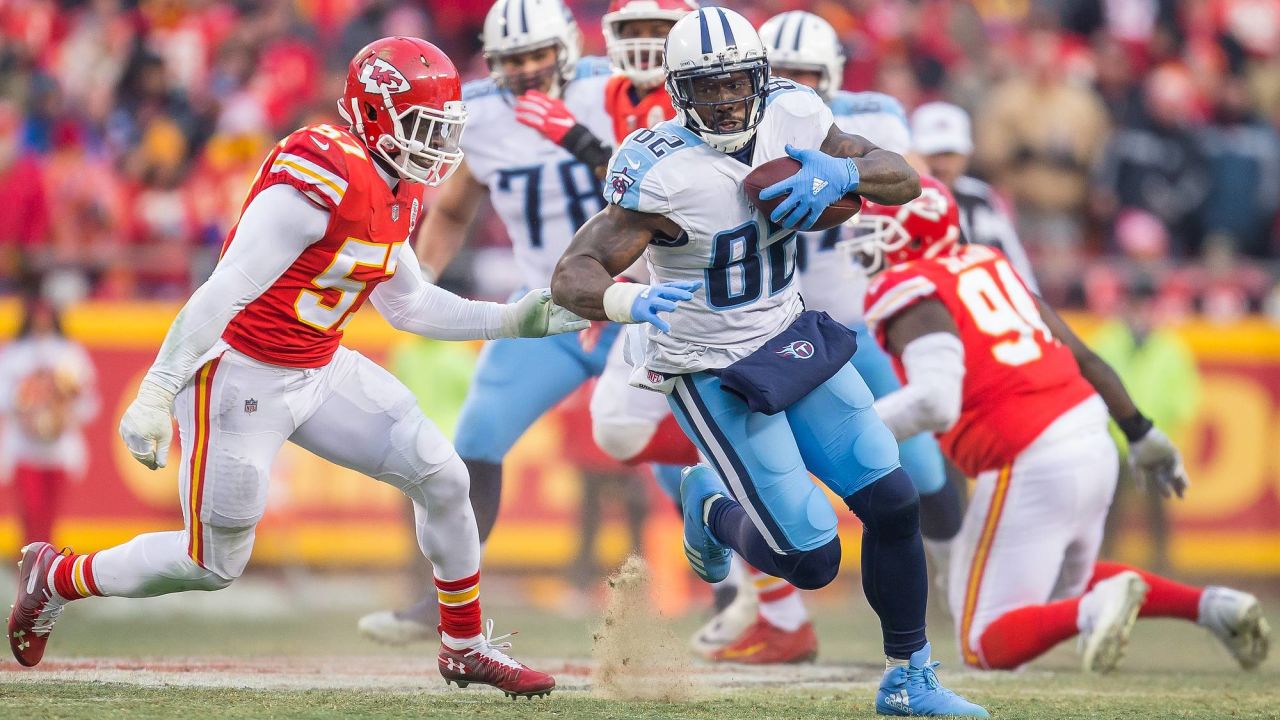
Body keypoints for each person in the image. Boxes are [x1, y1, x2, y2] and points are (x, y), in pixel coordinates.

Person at [8, 37, 586, 699]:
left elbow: (410, 305)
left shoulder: (396, 187)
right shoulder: (322, 172)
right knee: (211, 563)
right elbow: (224, 289)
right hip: (240, 374)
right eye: (424, 126)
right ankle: (55, 575)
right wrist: (156, 389)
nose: (436, 144)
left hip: (318, 365)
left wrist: (512, 320)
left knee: (445, 477)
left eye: (442, 128)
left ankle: (465, 646)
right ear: (376, 115)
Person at [552, 9, 987, 717]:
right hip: (707, 363)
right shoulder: (658, 167)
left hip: (788, 334)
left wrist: (845, 168)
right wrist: (626, 304)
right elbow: (575, 270)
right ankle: (709, 505)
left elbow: (901, 178)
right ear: (676, 90)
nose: (724, 98)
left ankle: (910, 679)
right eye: (706, 85)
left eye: (735, 82)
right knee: (811, 560)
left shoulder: (796, 112)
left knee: (894, 500)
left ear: (761, 78)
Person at [849, 178, 1270, 674]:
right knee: (1054, 590)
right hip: (1089, 431)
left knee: (983, 641)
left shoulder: (909, 288)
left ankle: (1096, 610)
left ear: (912, 234)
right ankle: (1213, 606)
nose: (861, 242)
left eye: (874, 229)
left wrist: (849, 436)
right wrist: (1140, 431)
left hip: (1029, 453)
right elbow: (1082, 353)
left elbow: (936, 404)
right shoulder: (991, 264)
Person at [357, 0, 619, 645]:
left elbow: (659, 185)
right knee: (474, 445)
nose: (528, 69)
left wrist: (579, 139)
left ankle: (743, 596)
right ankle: (447, 600)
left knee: (663, 449)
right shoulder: (481, 116)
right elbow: (452, 210)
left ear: (566, 48)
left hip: (629, 304)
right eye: (512, 59)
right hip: (546, 309)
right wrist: (414, 281)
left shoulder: (609, 91)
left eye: (538, 54)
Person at [0, 295, 98, 547]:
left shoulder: (70, 353)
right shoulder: (15, 352)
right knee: (29, 510)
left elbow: (88, 402)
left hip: (58, 447)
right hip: (24, 447)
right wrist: (26, 412)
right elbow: (4, 398)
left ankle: (44, 562)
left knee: (50, 513)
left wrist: (62, 414)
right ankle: (28, 558)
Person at [910, 101, 1037, 291]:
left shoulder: (983, 199)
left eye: (950, 154)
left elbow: (1016, 265)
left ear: (966, 156)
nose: (942, 165)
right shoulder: (898, 204)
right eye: (933, 154)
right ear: (914, 155)